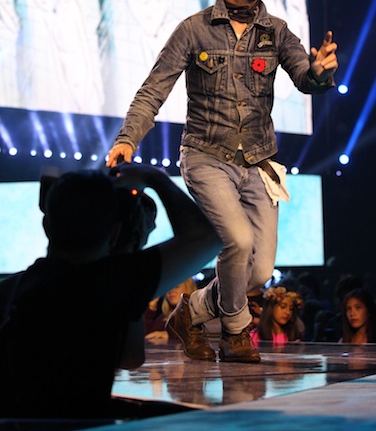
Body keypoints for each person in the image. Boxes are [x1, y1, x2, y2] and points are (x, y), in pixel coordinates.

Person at [107, 0, 338, 363]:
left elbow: (307, 80)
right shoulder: (193, 30)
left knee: (261, 269)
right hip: (206, 157)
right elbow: (152, 90)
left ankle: (191, 311)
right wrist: (127, 140)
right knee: (235, 238)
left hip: (259, 162)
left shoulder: (276, 31)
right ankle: (236, 332)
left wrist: (321, 72)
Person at [0, 163, 221, 418]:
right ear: (114, 230)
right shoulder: (114, 282)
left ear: (47, 225)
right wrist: (153, 177)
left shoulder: (9, 291)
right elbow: (207, 238)